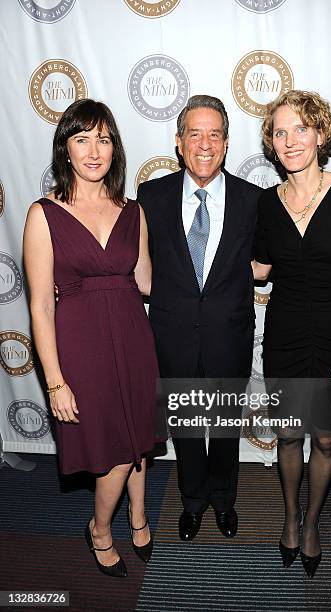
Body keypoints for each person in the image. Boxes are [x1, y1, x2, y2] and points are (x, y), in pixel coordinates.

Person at [23, 99, 161, 577]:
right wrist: (55, 382)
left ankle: (139, 517)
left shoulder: (133, 211)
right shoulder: (44, 214)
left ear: (115, 149)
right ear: (65, 149)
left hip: (133, 335)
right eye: (82, 138)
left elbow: (145, 281)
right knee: (113, 453)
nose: (94, 149)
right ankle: (100, 528)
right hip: (82, 344)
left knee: (139, 437)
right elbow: (40, 305)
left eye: (104, 139)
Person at [252, 90, 331, 578]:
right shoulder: (266, 202)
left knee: (324, 439)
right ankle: (288, 516)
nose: (290, 140)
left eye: (300, 129)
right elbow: (260, 270)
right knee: (288, 435)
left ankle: (311, 523)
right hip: (283, 332)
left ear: (320, 135)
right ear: (271, 143)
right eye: (280, 132)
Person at [137, 95, 262, 541]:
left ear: (226, 145)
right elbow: (135, 264)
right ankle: (192, 500)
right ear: (179, 141)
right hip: (172, 335)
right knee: (187, 429)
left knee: (226, 428)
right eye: (195, 133)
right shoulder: (150, 196)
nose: (204, 144)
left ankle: (224, 500)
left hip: (229, 335)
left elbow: (266, 263)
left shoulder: (254, 201)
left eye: (214, 135)